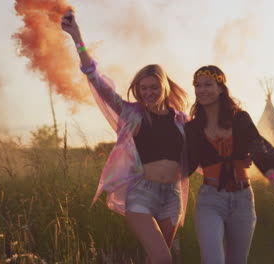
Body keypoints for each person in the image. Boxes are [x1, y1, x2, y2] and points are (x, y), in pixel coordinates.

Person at [61, 10, 189, 264]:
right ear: (137, 90)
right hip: (142, 193)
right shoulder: (131, 113)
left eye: (154, 87)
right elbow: (95, 78)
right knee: (164, 258)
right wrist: (77, 37)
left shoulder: (182, 120)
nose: (149, 92)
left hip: (172, 197)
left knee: (155, 258)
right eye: (144, 88)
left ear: (164, 87)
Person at [185, 65, 274, 264]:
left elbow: (259, 148)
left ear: (221, 88)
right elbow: (185, 163)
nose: (202, 90)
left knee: (237, 260)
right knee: (213, 260)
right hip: (210, 200)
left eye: (208, 84)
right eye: (197, 86)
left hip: (242, 199)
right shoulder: (192, 128)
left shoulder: (240, 119)